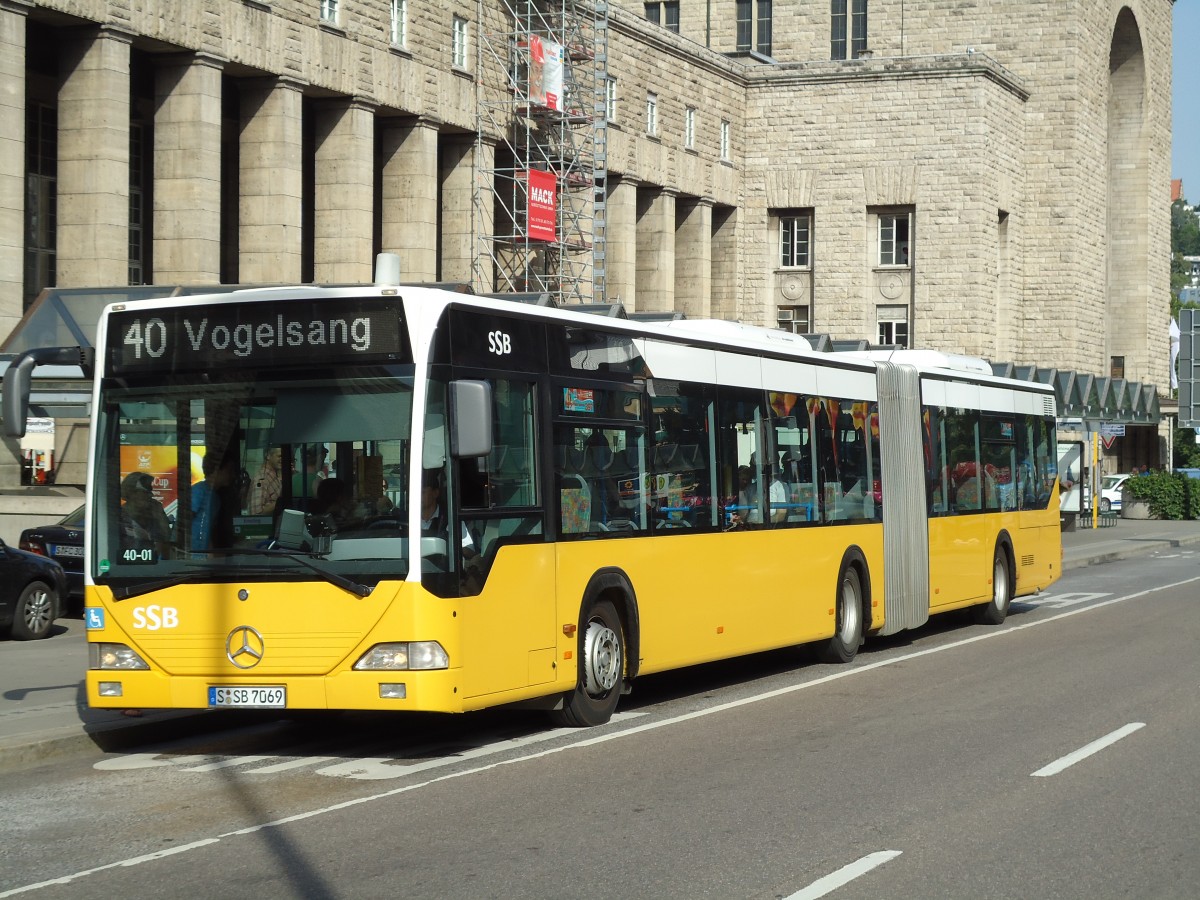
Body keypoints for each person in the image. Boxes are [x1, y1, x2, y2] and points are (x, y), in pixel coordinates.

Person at [420, 470, 474, 554]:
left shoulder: (451, 518)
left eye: (423, 492)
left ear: (435, 493)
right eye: (414, 492)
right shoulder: (407, 521)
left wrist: (447, 546)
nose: (418, 496)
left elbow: (469, 551)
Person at [192, 453, 237, 551]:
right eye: (229, 471)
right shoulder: (199, 491)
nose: (233, 475)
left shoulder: (216, 498)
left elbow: (209, 530)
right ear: (216, 470)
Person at [120, 472, 172, 550]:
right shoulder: (119, 516)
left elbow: (168, 540)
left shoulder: (154, 512)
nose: (151, 495)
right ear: (131, 492)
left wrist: (160, 516)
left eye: (150, 491)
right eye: (145, 492)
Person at [250, 447, 283, 515]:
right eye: (279, 456)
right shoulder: (261, 479)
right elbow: (257, 512)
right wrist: (282, 502)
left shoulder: (273, 477)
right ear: (268, 456)